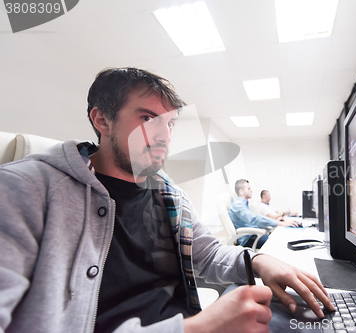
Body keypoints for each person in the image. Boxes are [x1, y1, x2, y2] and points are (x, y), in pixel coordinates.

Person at [0, 67, 334, 333]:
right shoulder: (23, 189)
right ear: (102, 120)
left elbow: (209, 253)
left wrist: (259, 260)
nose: (165, 136)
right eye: (148, 119)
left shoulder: (167, 192)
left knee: (316, 319)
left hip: (187, 322)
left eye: (170, 124)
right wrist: (200, 329)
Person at [228, 180, 300, 249]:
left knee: (282, 237)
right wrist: (280, 223)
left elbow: (255, 221)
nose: (251, 191)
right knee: (280, 242)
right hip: (249, 239)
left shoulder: (244, 205)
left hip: (254, 235)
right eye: (248, 188)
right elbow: (255, 219)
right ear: (241, 191)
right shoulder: (238, 205)